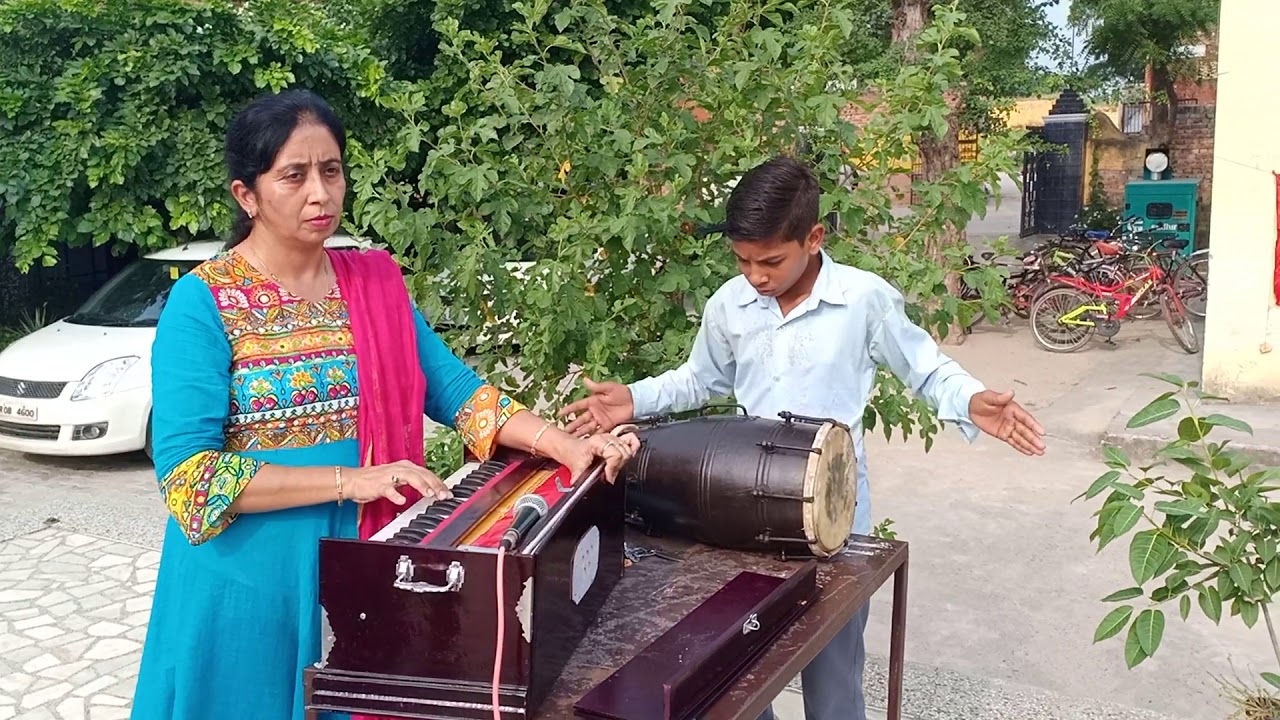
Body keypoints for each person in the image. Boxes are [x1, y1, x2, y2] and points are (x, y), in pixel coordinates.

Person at [130, 88, 641, 720]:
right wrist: (354, 480)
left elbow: (458, 392)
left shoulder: (373, 283)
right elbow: (189, 480)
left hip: (370, 567)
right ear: (247, 195)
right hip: (249, 586)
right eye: (294, 175)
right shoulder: (200, 305)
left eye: (332, 170)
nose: (320, 193)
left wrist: (566, 446)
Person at [559, 155, 1046, 720]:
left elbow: (925, 368)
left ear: (813, 238)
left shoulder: (863, 299)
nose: (755, 276)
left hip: (834, 519)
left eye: (770, 261)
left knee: (832, 675)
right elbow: (701, 378)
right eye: (742, 261)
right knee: (740, 665)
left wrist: (968, 398)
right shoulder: (730, 303)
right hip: (740, 508)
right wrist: (635, 398)